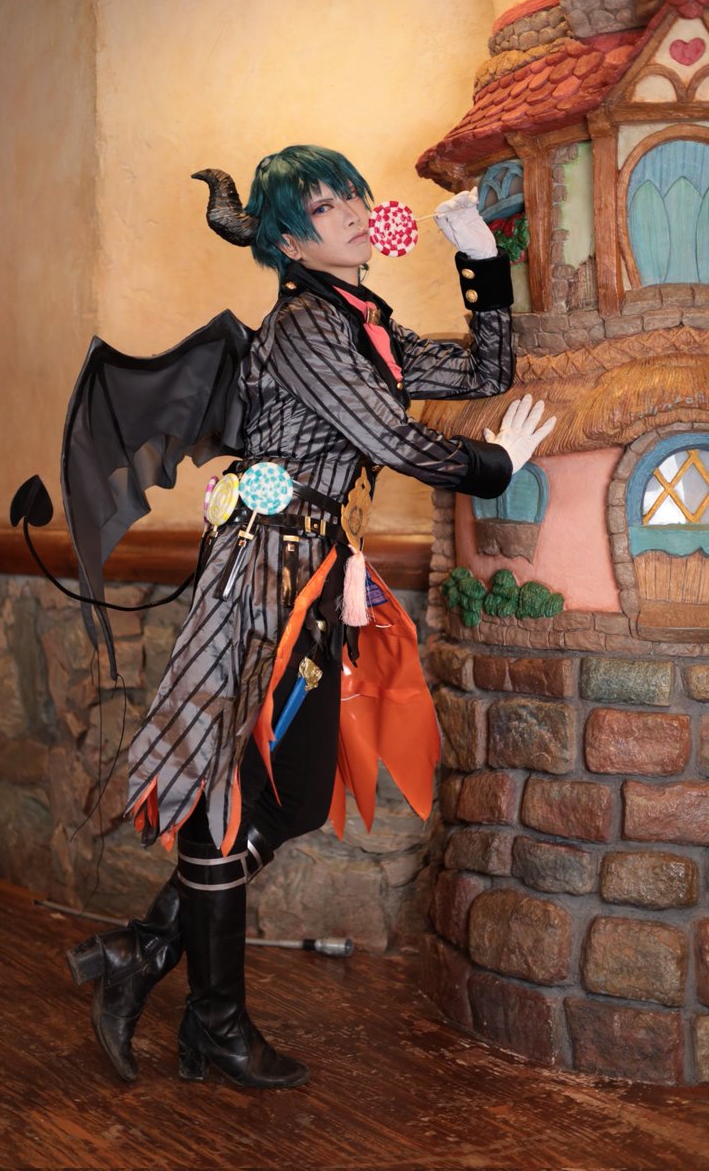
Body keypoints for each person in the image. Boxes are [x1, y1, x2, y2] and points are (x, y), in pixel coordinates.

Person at [65, 144, 554, 1090]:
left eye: (353, 196)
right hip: (260, 570)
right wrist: (494, 468)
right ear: (289, 241)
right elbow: (390, 438)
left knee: (290, 793)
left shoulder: (364, 322)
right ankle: (216, 1023)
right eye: (327, 207)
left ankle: (146, 951)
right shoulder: (300, 328)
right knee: (229, 786)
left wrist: (480, 257)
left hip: (316, 567)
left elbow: (485, 367)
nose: (356, 212)